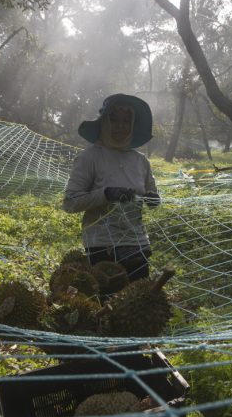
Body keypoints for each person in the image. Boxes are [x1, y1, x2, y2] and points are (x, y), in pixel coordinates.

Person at [62, 93, 160, 280]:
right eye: (114, 120)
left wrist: (153, 199)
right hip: (102, 246)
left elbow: (152, 195)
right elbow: (70, 203)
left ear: (132, 125)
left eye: (126, 121)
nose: (120, 127)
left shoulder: (141, 161)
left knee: (138, 301)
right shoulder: (90, 157)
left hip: (137, 244)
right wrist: (106, 194)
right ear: (104, 122)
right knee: (107, 305)